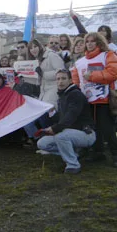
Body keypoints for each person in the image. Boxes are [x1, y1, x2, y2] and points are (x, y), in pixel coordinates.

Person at [37, 69, 96, 174]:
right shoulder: (62, 96)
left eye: (63, 78)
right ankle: (74, 154)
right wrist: (52, 113)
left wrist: (55, 128)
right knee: (42, 143)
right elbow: (62, 119)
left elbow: (70, 117)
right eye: (58, 79)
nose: (60, 81)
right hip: (70, 133)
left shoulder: (75, 94)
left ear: (70, 80)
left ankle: (73, 165)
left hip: (86, 134)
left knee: (61, 136)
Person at [71, 33, 117, 165]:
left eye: (93, 41)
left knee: (107, 128)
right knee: (91, 128)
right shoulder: (79, 62)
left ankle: (115, 154)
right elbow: (76, 82)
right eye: (87, 41)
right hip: (87, 101)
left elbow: (113, 73)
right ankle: (98, 152)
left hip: (105, 99)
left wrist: (91, 76)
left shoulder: (108, 55)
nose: (90, 44)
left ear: (99, 43)